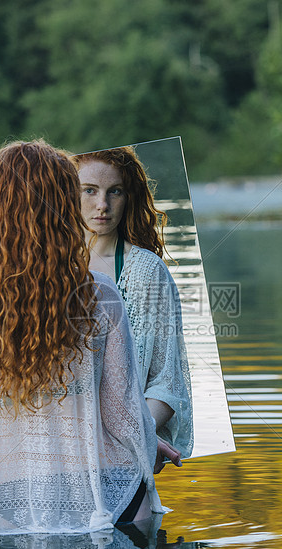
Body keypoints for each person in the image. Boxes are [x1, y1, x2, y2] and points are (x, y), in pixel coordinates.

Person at [0, 140, 169, 537]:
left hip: (2, 503)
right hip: (106, 499)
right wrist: (148, 443)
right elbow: (122, 416)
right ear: (63, 211)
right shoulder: (100, 297)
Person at [72, 147, 193, 460]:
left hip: (126, 453)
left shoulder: (148, 271)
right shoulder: (42, 268)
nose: (102, 205)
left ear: (129, 198)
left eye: (115, 192)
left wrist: (135, 438)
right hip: (61, 451)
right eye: (89, 191)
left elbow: (167, 385)